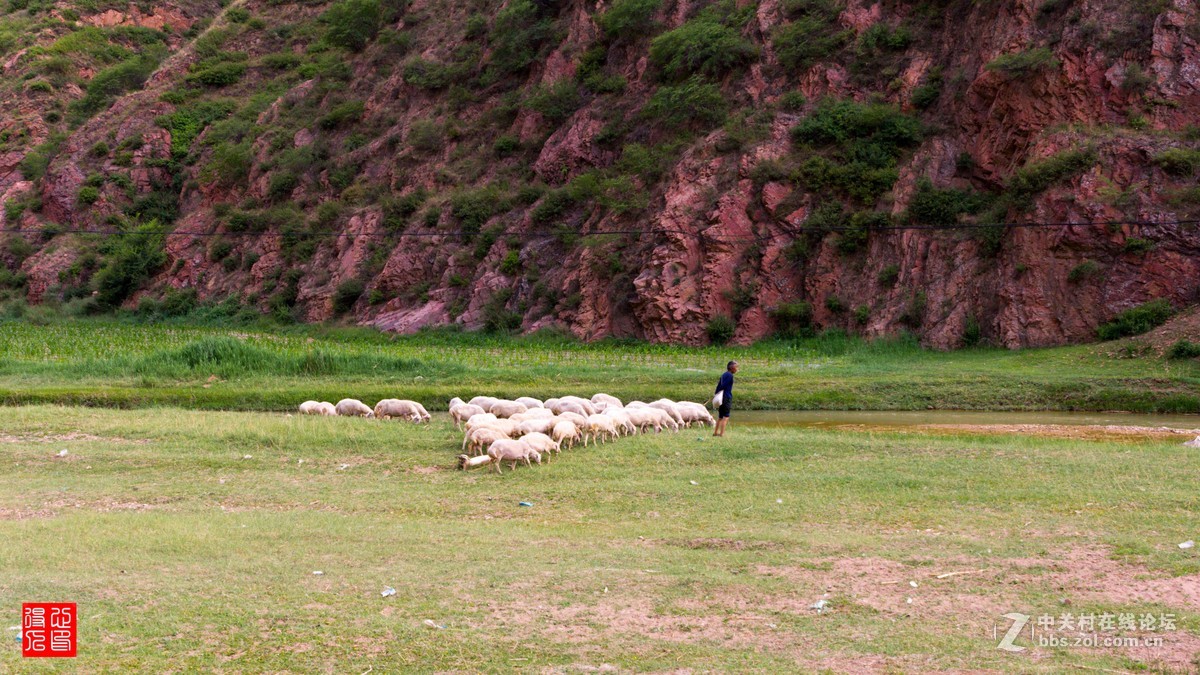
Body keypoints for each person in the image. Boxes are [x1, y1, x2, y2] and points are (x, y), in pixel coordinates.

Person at [713, 360, 737, 437]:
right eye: (736, 367)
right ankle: (722, 434)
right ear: (732, 368)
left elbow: (719, 385)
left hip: (721, 397)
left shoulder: (724, 375)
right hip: (726, 397)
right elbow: (724, 385)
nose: (737, 369)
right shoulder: (730, 375)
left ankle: (715, 432)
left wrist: (716, 393)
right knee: (726, 416)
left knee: (720, 416)